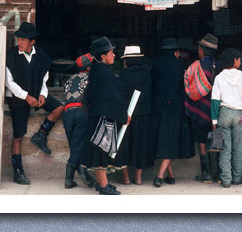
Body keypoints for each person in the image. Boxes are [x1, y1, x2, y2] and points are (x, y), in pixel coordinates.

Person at [5, 22, 64, 185]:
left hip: (36, 94)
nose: (20, 42)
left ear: (32, 42)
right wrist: (26, 97)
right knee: (18, 136)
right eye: (19, 39)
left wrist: (42, 95)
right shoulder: (11, 56)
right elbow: (9, 82)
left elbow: (44, 81)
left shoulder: (42, 57)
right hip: (18, 98)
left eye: (23, 40)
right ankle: (18, 171)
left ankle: (41, 135)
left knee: (59, 107)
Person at [81, 37, 131, 195]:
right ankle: (103, 185)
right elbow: (113, 98)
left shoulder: (97, 70)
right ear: (103, 56)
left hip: (97, 115)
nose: (114, 55)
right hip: (102, 117)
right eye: (111, 53)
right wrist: (123, 116)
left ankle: (101, 182)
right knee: (101, 150)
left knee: (98, 149)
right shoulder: (105, 73)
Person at [150, 38, 194, 188]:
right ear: (176, 52)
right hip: (175, 107)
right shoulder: (181, 66)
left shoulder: (155, 65)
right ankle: (160, 175)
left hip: (157, 106)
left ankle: (171, 175)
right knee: (170, 139)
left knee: (164, 139)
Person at [211, 48, 242, 188]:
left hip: (224, 114)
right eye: (239, 59)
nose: (240, 61)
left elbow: (215, 101)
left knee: (225, 149)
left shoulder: (219, 78)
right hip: (239, 115)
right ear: (235, 61)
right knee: (238, 148)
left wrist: (214, 122)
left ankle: (226, 180)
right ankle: (236, 178)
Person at [184, 33, 222, 184]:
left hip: (200, 110)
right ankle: (219, 174)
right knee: (218, 139)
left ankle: (206, 175)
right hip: (215, 109)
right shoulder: (220, 66)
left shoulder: (195, 66)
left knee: (201, 140)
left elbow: (188, 87)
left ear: (201, 50)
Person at [117, 46, 153, 185]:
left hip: (126, 116)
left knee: (124, 144)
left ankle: (125, 178)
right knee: (141, 145)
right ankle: (138, 177)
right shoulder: (147, 74)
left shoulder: (124, 75)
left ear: (127, 61)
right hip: (144, 114)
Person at [62, 53, 97, 189]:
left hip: (68, 113)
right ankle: (69, 178)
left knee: (75, 146)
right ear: (89, 68)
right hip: (82, 112)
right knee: (78, 147)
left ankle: (83, 176)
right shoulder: (92, 78)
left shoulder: (70, 79)